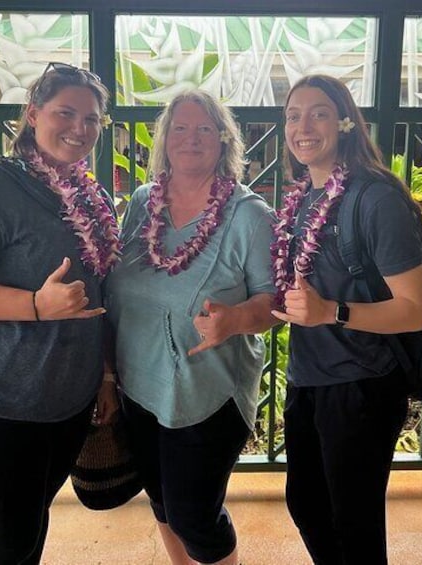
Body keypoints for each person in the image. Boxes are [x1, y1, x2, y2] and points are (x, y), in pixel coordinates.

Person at [0, 62, 120, 565]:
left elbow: (99, 294)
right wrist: (35, 305)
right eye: (66, 113)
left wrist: (102, 375)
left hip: (67, 403)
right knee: (7, 540)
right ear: (33, 115)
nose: (79, 129)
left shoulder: (92, 194)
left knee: (31, 525)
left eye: (92, 119)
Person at [103, 90, 277, 565]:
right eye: (180, 128)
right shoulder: (143, 201)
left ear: (224, 141)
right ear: (164, 139)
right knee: (161, 499)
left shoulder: (249, 215)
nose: (191, 138)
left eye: (204, 129)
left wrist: (236, 319)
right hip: (140, 384)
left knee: (194, 513)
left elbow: (274, 302)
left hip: (208, 392)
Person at [270, 75, 422, 564]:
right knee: (308, 504)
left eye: (318, 113)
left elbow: (415, 309)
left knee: (354, 524)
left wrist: (331, 312)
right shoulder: (305, 199)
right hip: (310, 379)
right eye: (294, 114)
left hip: (362, 385)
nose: (303, 126)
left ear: (343, 123)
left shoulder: (375, 198)